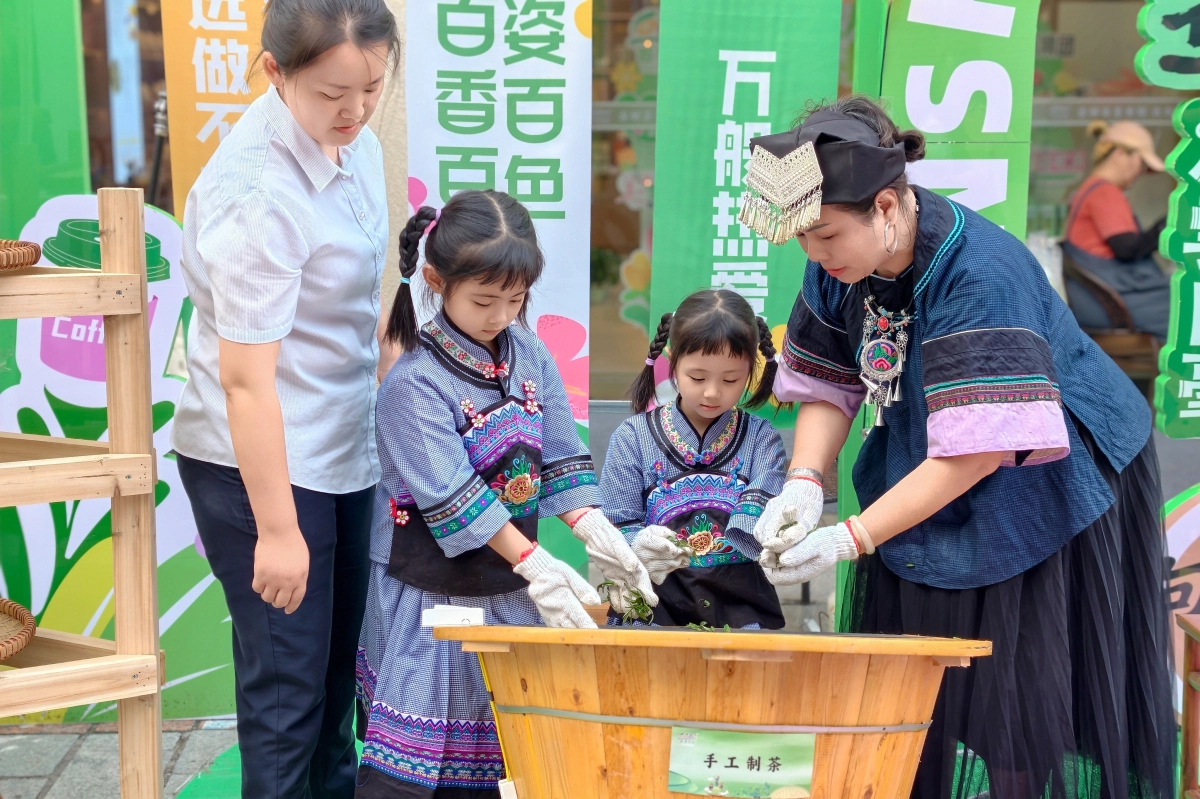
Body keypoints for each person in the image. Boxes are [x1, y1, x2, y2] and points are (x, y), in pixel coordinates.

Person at [744, 96, 1175, 799]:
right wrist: (804, 479)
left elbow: (975, 454)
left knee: (1014, 694)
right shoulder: (837, 262)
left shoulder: (981, 271)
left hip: (1049, 466)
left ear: (887, 206)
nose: (814, 254)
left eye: (824, 235)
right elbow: (828, 381)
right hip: (929, 450)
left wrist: (851, 536)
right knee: (919, 685)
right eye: (803, 239)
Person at [355, 190, 655, 798]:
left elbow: (561, 457)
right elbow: (455, 495)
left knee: (509, 751)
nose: (500, 315)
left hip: (510, 582)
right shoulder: (413, 382)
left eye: (515, 300)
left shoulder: (532, 354)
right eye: (483, 300)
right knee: (418, 762)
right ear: (436, 282)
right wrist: (537, 563)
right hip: (429, 589)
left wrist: (597, 532)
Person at [170, 2, 397, 797]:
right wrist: (276, 530)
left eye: (372, 86)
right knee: (287, 699)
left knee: (339, 686)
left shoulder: (356, 144)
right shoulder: (258, 194)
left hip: (339, 444)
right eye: (333, 92)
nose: (356, 110)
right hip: (261, 465)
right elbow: (245, 381)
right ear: (274, 72)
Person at [599, 288, 787, 629]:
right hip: (654, 609)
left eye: (731, 379)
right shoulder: (633, 438)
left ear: (751, 368)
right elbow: (614, 526)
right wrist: (637, 544)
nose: (712, 392)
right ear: (672, 361)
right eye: (697, 377)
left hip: (741, 611)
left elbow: (766, 525)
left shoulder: (762, 439)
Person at [1063, 119, 1170, 340]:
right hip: (1114, 305)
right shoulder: (1104, 191)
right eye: (1142, 163)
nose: (1141, 172)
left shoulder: (1090, 188)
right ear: (1120, 153)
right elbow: (1127, 248)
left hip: (1096, 302)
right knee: (1189, 304)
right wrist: (1168, 223)